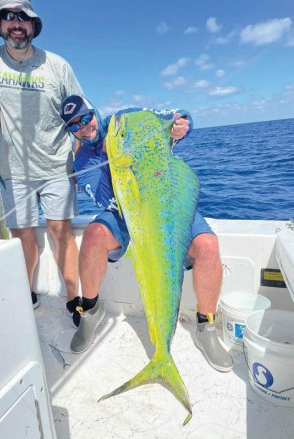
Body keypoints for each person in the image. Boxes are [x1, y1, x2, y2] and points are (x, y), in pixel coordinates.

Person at [59, 95, 234, 373]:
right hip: (126, 211)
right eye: (74, 125)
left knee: (208, 245)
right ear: (70, 131)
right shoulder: (83, 162)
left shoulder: (125, 119)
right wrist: (111, 159)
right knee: (93, 234)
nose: (84, 126)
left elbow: (174, 115)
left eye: (85, 117)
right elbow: (110, 201)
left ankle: (207, 326)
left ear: (94, 112)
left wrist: (182, 122)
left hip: (166, 201)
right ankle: (90, 312)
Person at [0, 0, 83, 309]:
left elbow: (79, 114)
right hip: (10, 168)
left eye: (23, 17)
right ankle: (26, 293)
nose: (16, 22)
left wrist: (80, 154)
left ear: (33, 25)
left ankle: (75, 298)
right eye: (8, 16)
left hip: (57, 165)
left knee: (62, 231)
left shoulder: (57, 64)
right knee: (21, 235)